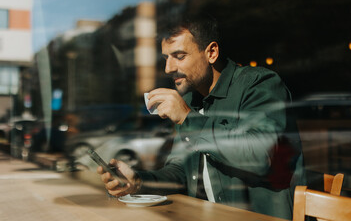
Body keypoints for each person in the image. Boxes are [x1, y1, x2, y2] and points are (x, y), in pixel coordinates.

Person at [97, 14, 305, 219]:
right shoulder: (191, 99)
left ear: (211, 53)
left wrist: (188, 119)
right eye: (166, 58)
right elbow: (180, 172)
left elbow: (260, 156)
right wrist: (138, 182)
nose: (168, 68)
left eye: (179, 56)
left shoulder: (259, 85)